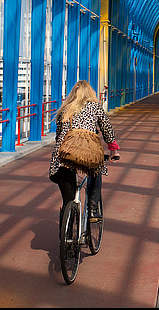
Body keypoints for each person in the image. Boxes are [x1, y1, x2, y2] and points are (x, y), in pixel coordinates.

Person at [49, 80, 120, 224]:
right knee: (95, 169)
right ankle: (93, 208)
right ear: (90, 93)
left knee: (67, 199)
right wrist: (113, 150)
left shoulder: (65, 109)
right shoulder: (95, 107)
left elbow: (58, 137)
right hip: (88, 151)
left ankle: (67, 227)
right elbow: (107, 130)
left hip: (64, 156)